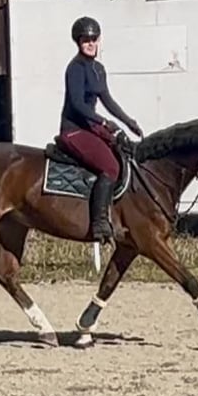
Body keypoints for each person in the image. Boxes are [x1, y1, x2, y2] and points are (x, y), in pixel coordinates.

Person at [56, 16, 144, 244]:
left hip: (91, 128)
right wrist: (103, 122)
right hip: (74, 130)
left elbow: (107, 99)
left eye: (94, 38)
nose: (91, 43)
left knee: (123, 153)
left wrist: (128, 121)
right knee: (110, 166)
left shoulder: (98, 69)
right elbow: (77, 104)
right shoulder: (75, 68)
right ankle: (99, 223)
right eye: (86, 39)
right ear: (78, 41)